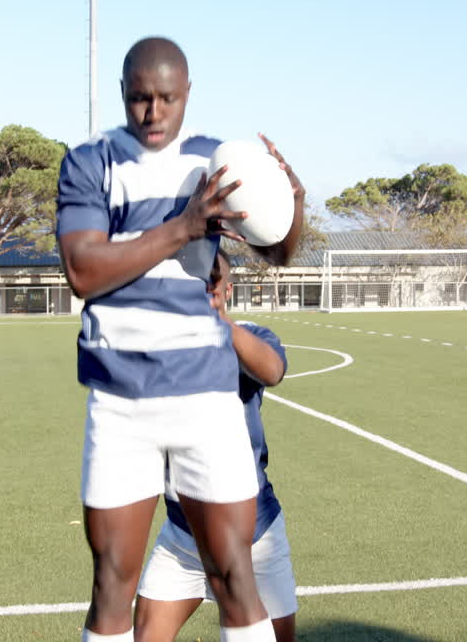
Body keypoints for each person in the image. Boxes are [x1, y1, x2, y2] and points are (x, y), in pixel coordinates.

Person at [55, 36, 304, 642]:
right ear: (123, 93)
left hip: (203, 395)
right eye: (141, 98)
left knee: (232, 574)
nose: (153, 112)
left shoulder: (212, 164)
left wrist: (290, 200)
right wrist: (184, 226)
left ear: (187, 94)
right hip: (120, 397)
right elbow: (84, 270)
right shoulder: (89, 163)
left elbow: (278, 251)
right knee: (112, 581)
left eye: (167, 98)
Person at [135, 250, 297, 642]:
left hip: (252, 534)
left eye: (211, 279)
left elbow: (272, 370)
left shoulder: (251, 336)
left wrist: (216, 323)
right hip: (182, 533)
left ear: (227, 289)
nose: (201, 287)